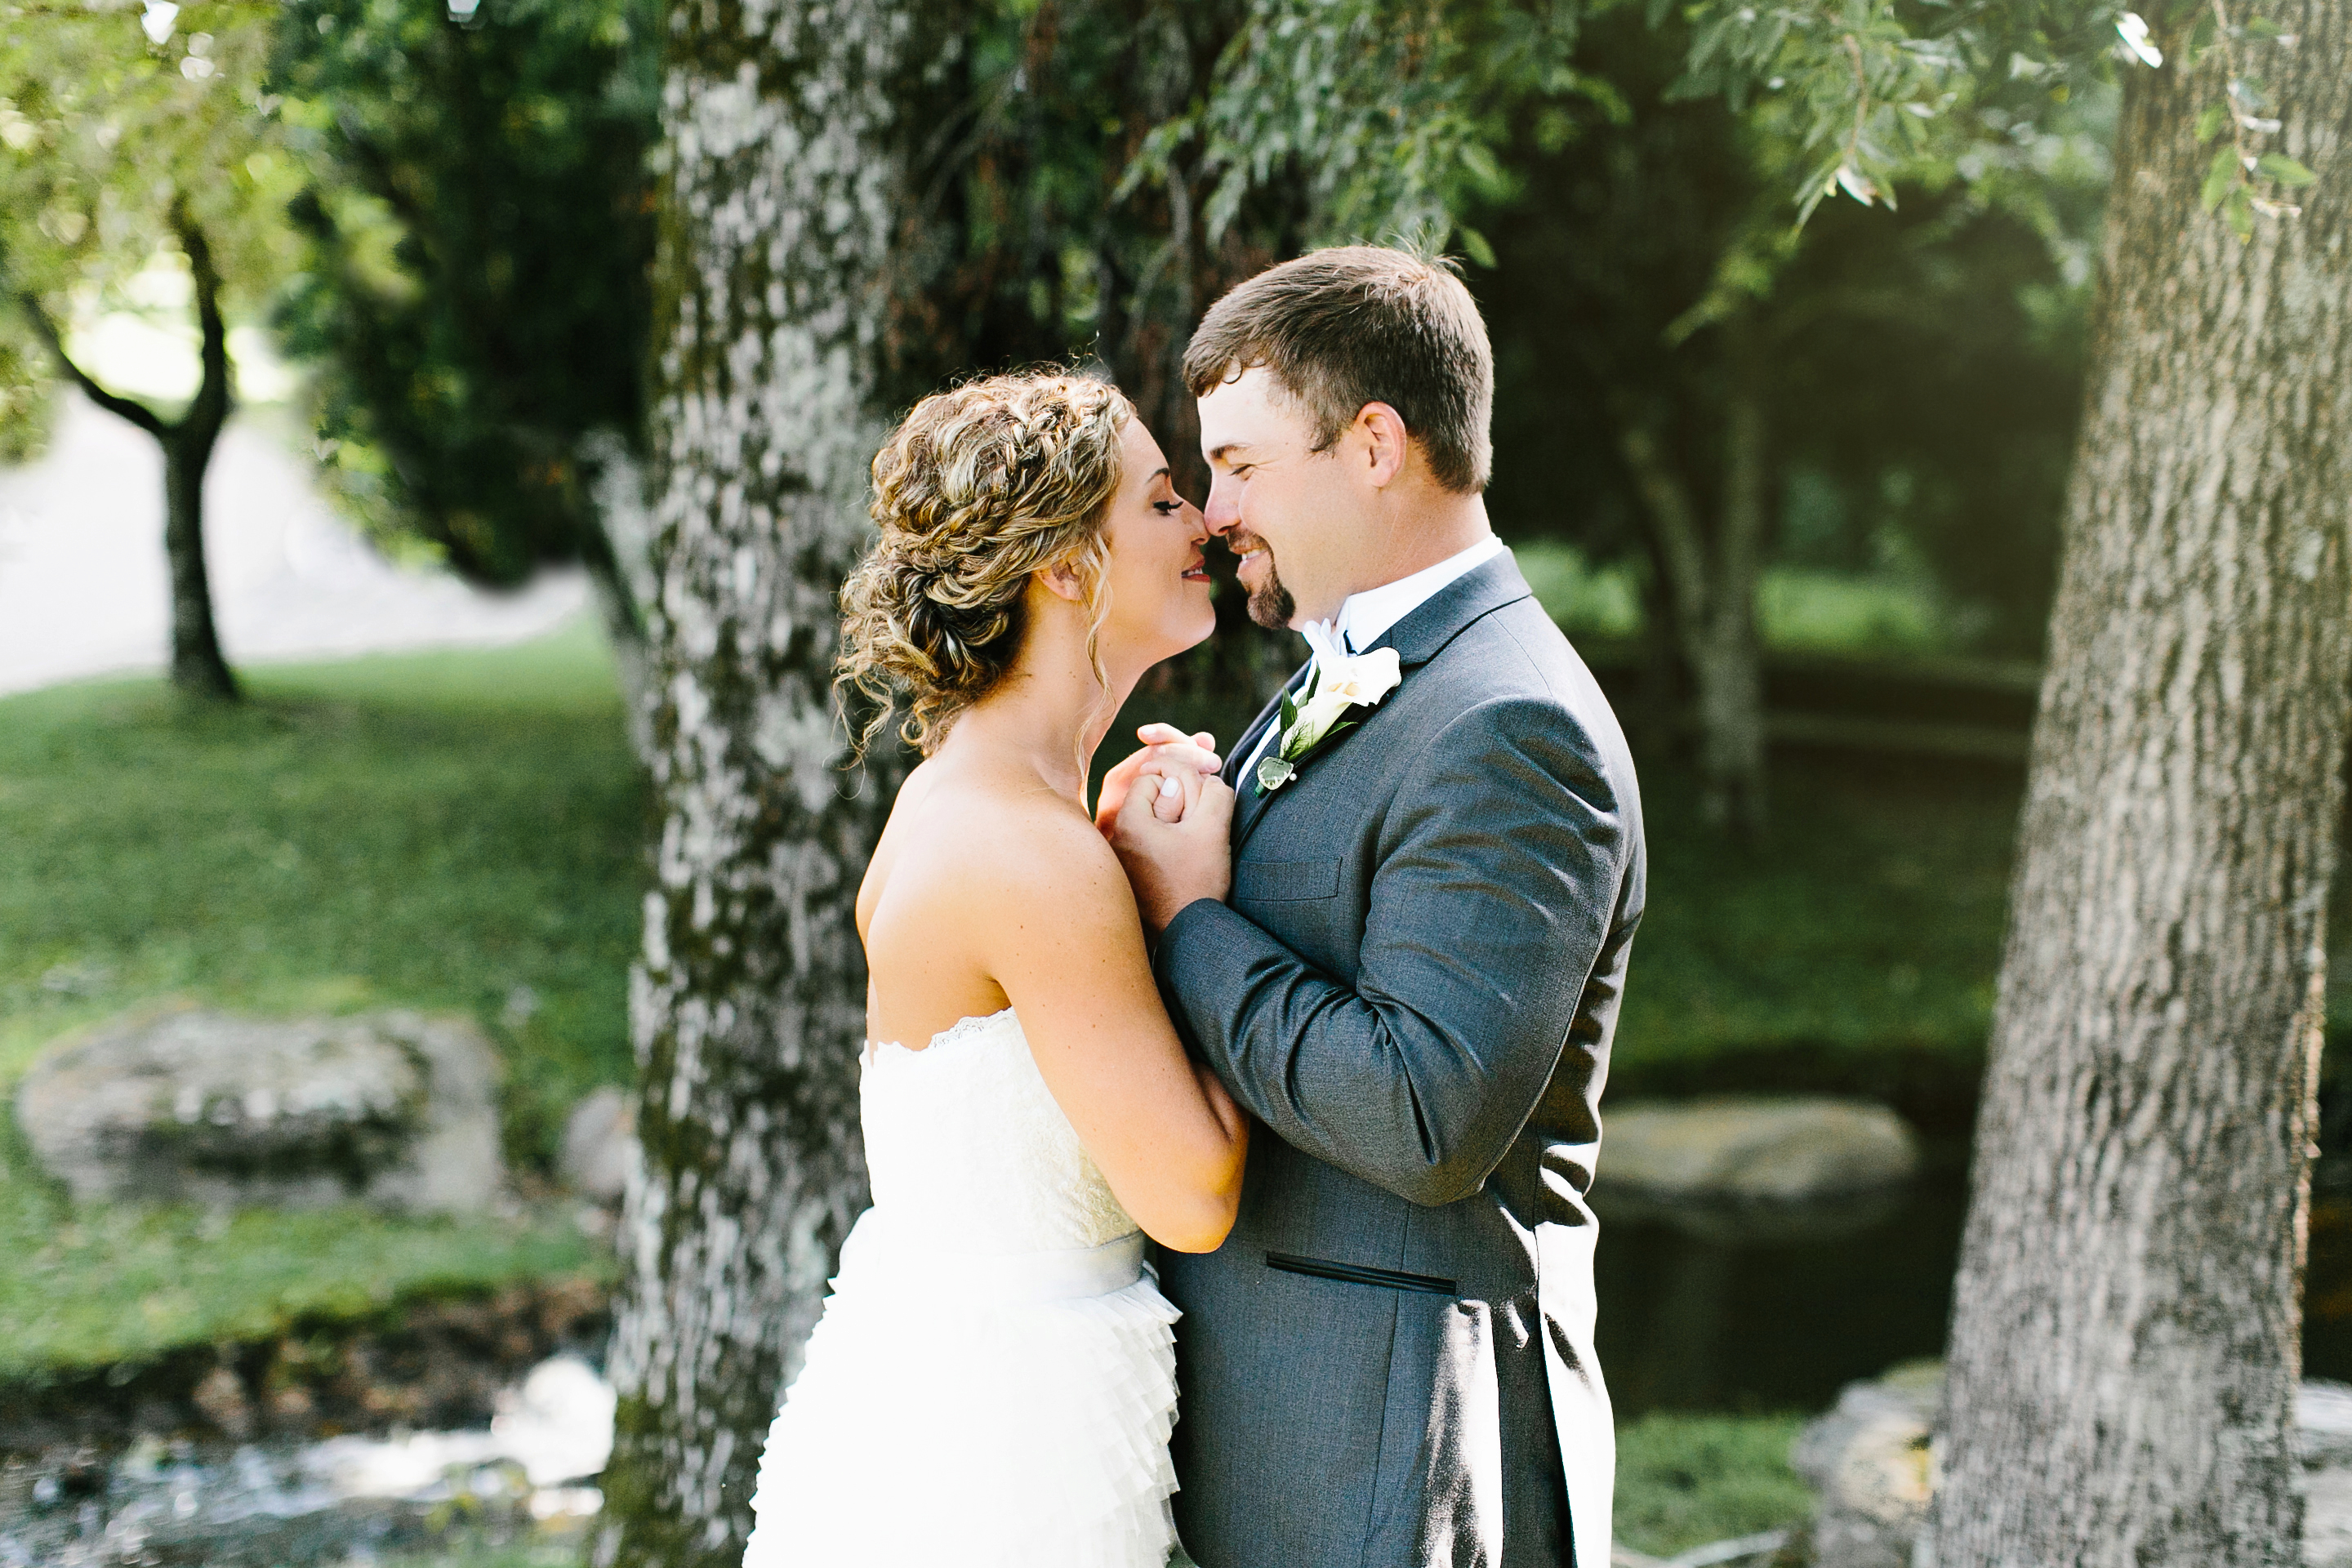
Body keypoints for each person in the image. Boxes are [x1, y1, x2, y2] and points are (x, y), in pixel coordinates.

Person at [1107, 245, 1646, 1568]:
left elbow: (1421, 1116)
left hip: (1393, 1454)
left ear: (1373, 443)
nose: (1217, 509)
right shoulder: (1356, 668)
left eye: (1240, 463)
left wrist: (1189, 918)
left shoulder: (1512, 723)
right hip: (1293, 1429)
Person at [740, 372, 1248, 1568]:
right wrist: (1194, 903)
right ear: (1067, 566)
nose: (1206, 524)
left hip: (960, 1395)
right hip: (1006, 1463)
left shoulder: (967, 802)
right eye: (1166, 501)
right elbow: (1192, 1197)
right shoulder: (1030, 852)